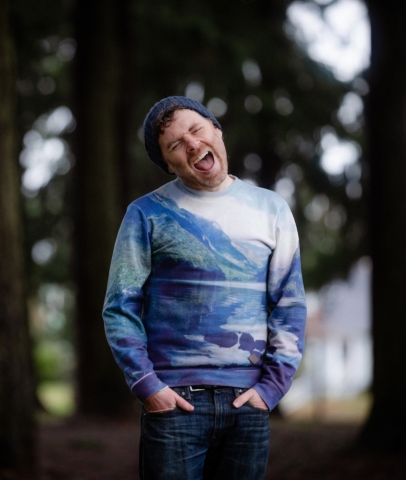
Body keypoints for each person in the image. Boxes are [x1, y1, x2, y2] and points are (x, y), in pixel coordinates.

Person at [103, 96, 307, 480]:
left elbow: (289, 305)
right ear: (169, 164)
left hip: (248, 404)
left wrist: (271, 389)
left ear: (216, 129)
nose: (192, 144)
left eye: (196, 130)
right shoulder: (146, 213)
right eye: (176, 145)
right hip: (175, 403)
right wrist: (149, 387)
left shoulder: (272, 208)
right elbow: (119, 307)